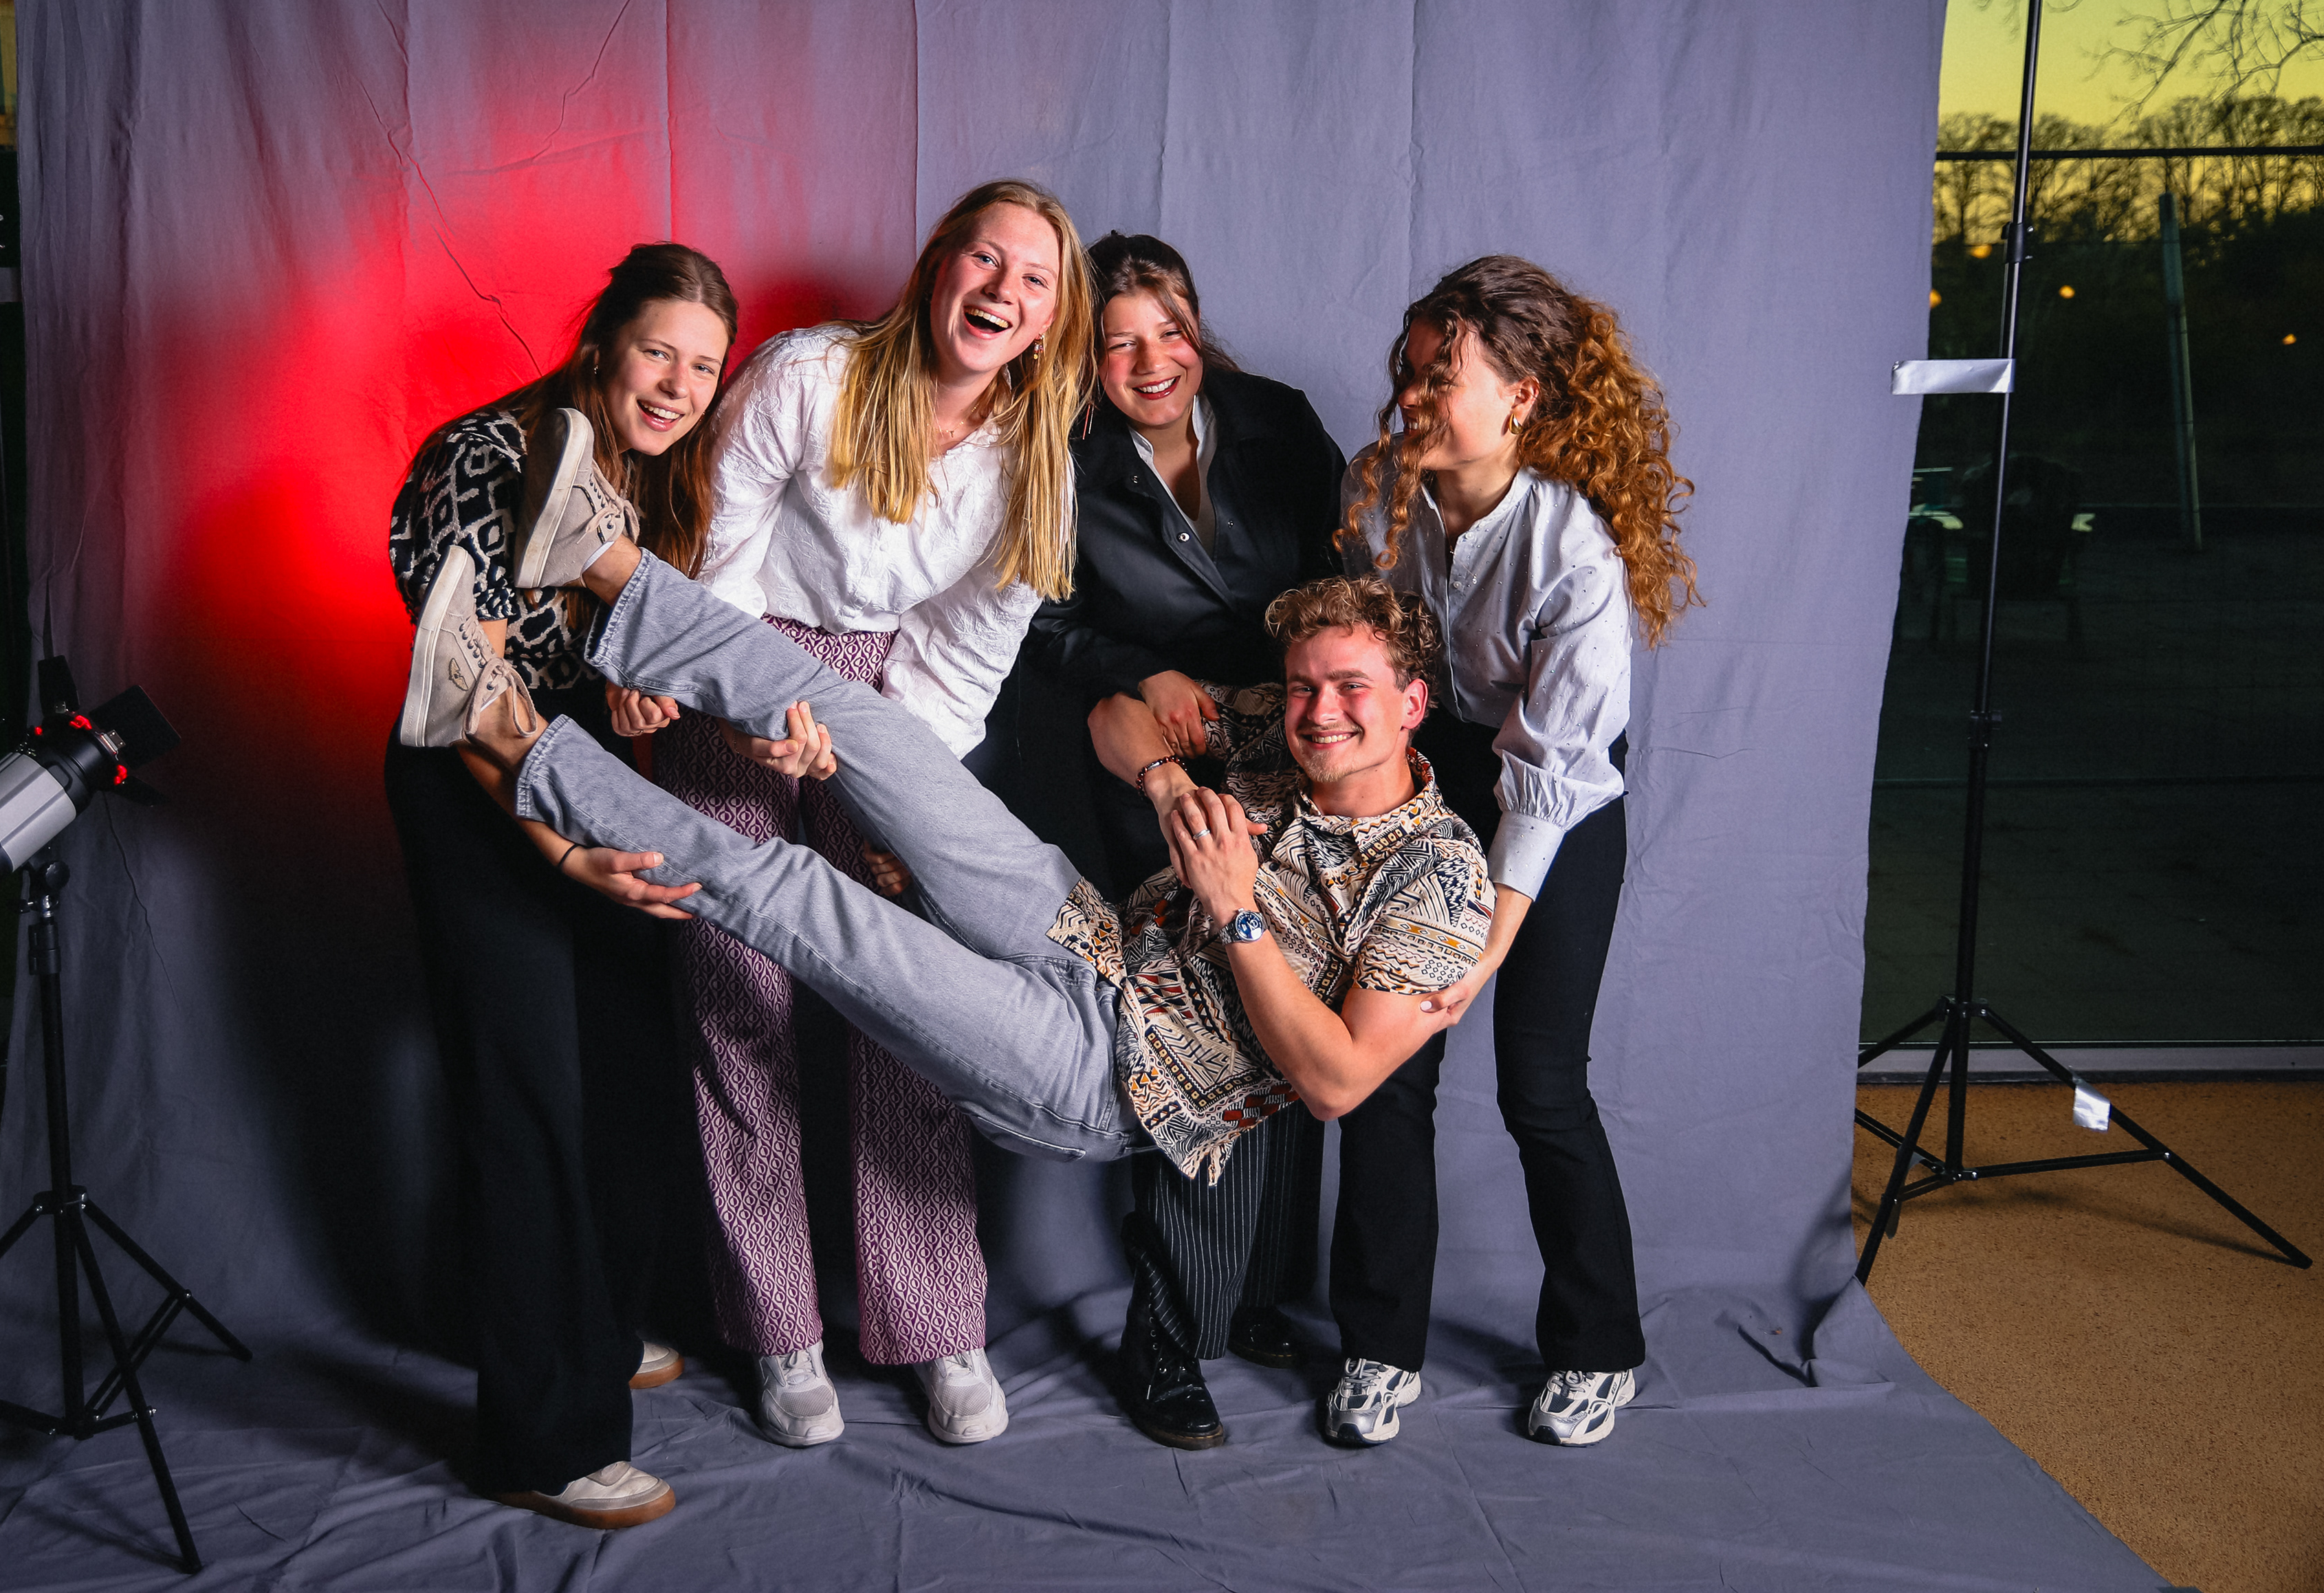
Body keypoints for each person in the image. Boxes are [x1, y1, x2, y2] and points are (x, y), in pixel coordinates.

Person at [394, 495, 1503, 1447]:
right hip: (1088, 937)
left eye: (1350, 690)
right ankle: (601, 562)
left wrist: (1236, 908)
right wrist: (1169, 782)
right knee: (864, 726)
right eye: (1304, 687)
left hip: (1103, 1071)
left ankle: (510, 735)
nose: (1318, 712)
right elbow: (1118, 717)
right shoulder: (1282, 732)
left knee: (804, 898)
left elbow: (1336, 1081)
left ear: (1412, 705)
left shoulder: (1439, 879)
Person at [630, 180, 1093, 1451]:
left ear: (1052, 317)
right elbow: (714, 540)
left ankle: (935, 1321)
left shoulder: (1035, 464)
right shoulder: (809, 374)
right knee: (738, 1000)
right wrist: (741, 702)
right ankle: (780, 1332)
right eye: (984, 260)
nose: (1002, 291)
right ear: (938, 265)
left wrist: (900, 794)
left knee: (911, 1002)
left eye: (1034, 279)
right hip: (737, 656)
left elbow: (970, 645)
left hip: (896, 701)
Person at [383, 243, 738, 1530]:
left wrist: (630, 694)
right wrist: (559, 849)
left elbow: (589, 655)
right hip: (480, 785)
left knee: (632, 1068)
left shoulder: (646, 474)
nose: (680, 386)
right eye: (658, 353)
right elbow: (470, 689)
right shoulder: (488, 454)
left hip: (579, 769)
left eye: (704, 367)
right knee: (530, 1101)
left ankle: (592, 1326)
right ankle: (543, 1436)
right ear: (601, 344)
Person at [1336, 254, 1698, 1451]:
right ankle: (1379, 1342)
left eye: (1440, 377)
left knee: (1540, 1086)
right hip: (1430, 772)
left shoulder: (1573, 552)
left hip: (1558, 789)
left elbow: (1545, 782)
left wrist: (1482, 952)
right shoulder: (1378, 495)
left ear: (1521, 398)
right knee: (1388, 1068)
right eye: (1409, 371)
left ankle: (1600, 1346)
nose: (1409, 397)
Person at [1022, 232, 1346, 1450]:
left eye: (1170, 331)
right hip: (1156, 760)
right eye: (1118, 344)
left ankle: (1255, 1292)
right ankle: (1162, 1332)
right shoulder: (1060, 453)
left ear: (1199, 327)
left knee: (1296, 1004)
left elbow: (1345, 574)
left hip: (1299, 753)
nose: (1151, 362)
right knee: (1189, 1027)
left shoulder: (1279, 418)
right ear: (1087, 359)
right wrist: (1140, 668)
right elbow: (1040, 621)